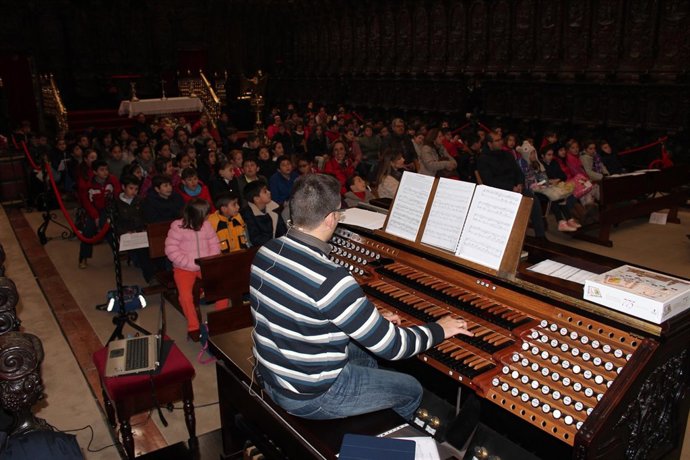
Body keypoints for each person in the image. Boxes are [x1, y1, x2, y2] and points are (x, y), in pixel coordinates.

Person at [251, 174, 472, 421]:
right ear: (331, 218)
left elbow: (305, 309)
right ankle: (390, 436)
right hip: (311, 396)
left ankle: (366, 407)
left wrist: (372, 320)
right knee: (411, 388)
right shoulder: (331, 278)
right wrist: (440, 328)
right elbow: (394, 347)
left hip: (273, 373)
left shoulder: (266, 251)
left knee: (366, 355)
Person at [165, 198, 229, 341]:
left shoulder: (206, 225)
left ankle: (219, 321)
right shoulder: (177, 227)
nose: (208, 216)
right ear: (197, 215)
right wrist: (189, 263)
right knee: (185, 296)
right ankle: (193, 326)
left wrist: (208, 261)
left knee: (222, 289)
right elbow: (171, 251)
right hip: (184, 268)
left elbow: (214, 244)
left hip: (205, 266)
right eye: (206, 214)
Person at [477, 131, 546, 239]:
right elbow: (489, 182)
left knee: (533, 200)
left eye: (501, 139)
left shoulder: (507, 154)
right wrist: (511, 188)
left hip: (515, 188)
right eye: (497, 140)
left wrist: (520, 184)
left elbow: (518, 172)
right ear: (489, 144)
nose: (501, 142)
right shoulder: (483, 159)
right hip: (499, 192)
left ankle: (540, 236)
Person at [79, 160, 121, 268]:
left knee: (107, 228)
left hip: (109, 210)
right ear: (95, 172)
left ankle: (117, 254)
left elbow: (117, 196)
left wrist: (111, 211)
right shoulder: (88, 184)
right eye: (102, 170)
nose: (105, 172)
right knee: (88, 230)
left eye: (106, 169)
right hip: (94, 210)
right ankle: (83, 258)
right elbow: (86, 202)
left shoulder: (113, 180)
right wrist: (95, 216)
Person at [115, 175, 155, 282]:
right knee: (142, 253)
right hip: (126, 234)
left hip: (140, 231)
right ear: (123, 187)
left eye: (136, 189)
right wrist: (124, 232)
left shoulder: (141, 200)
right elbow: (116, 222)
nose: (134, 191)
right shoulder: (116, 202)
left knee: (149, 250)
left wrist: (144, 228)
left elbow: (146, 216)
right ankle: (150, 277)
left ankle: (152, 273)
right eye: (131, 188)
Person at [240, 180, 287, 246]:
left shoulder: (274, 207)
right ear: (256, 199)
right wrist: (275, 243)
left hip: (277, 245)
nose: (269, 192)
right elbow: (256, 239)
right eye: (265, 191)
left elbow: (282, 231)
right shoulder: (247, 214)